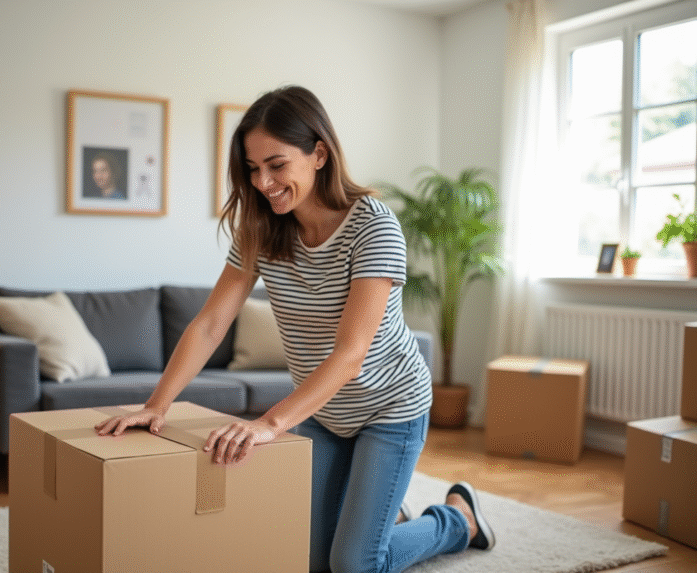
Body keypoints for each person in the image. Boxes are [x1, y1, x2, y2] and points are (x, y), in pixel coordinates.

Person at [95, 85, 495, 573]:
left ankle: (457, 520)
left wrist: (268, 424)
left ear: (319, 154)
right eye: (253, 168)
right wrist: (156, 405)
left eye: (276, 164)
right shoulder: (260, 229)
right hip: (325, 413)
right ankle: (384, 517)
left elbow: (350, 354)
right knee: (309, 561)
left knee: (354, 566)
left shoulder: (374, 228)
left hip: (390, 408)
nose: (263, 182)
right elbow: (211, 323)